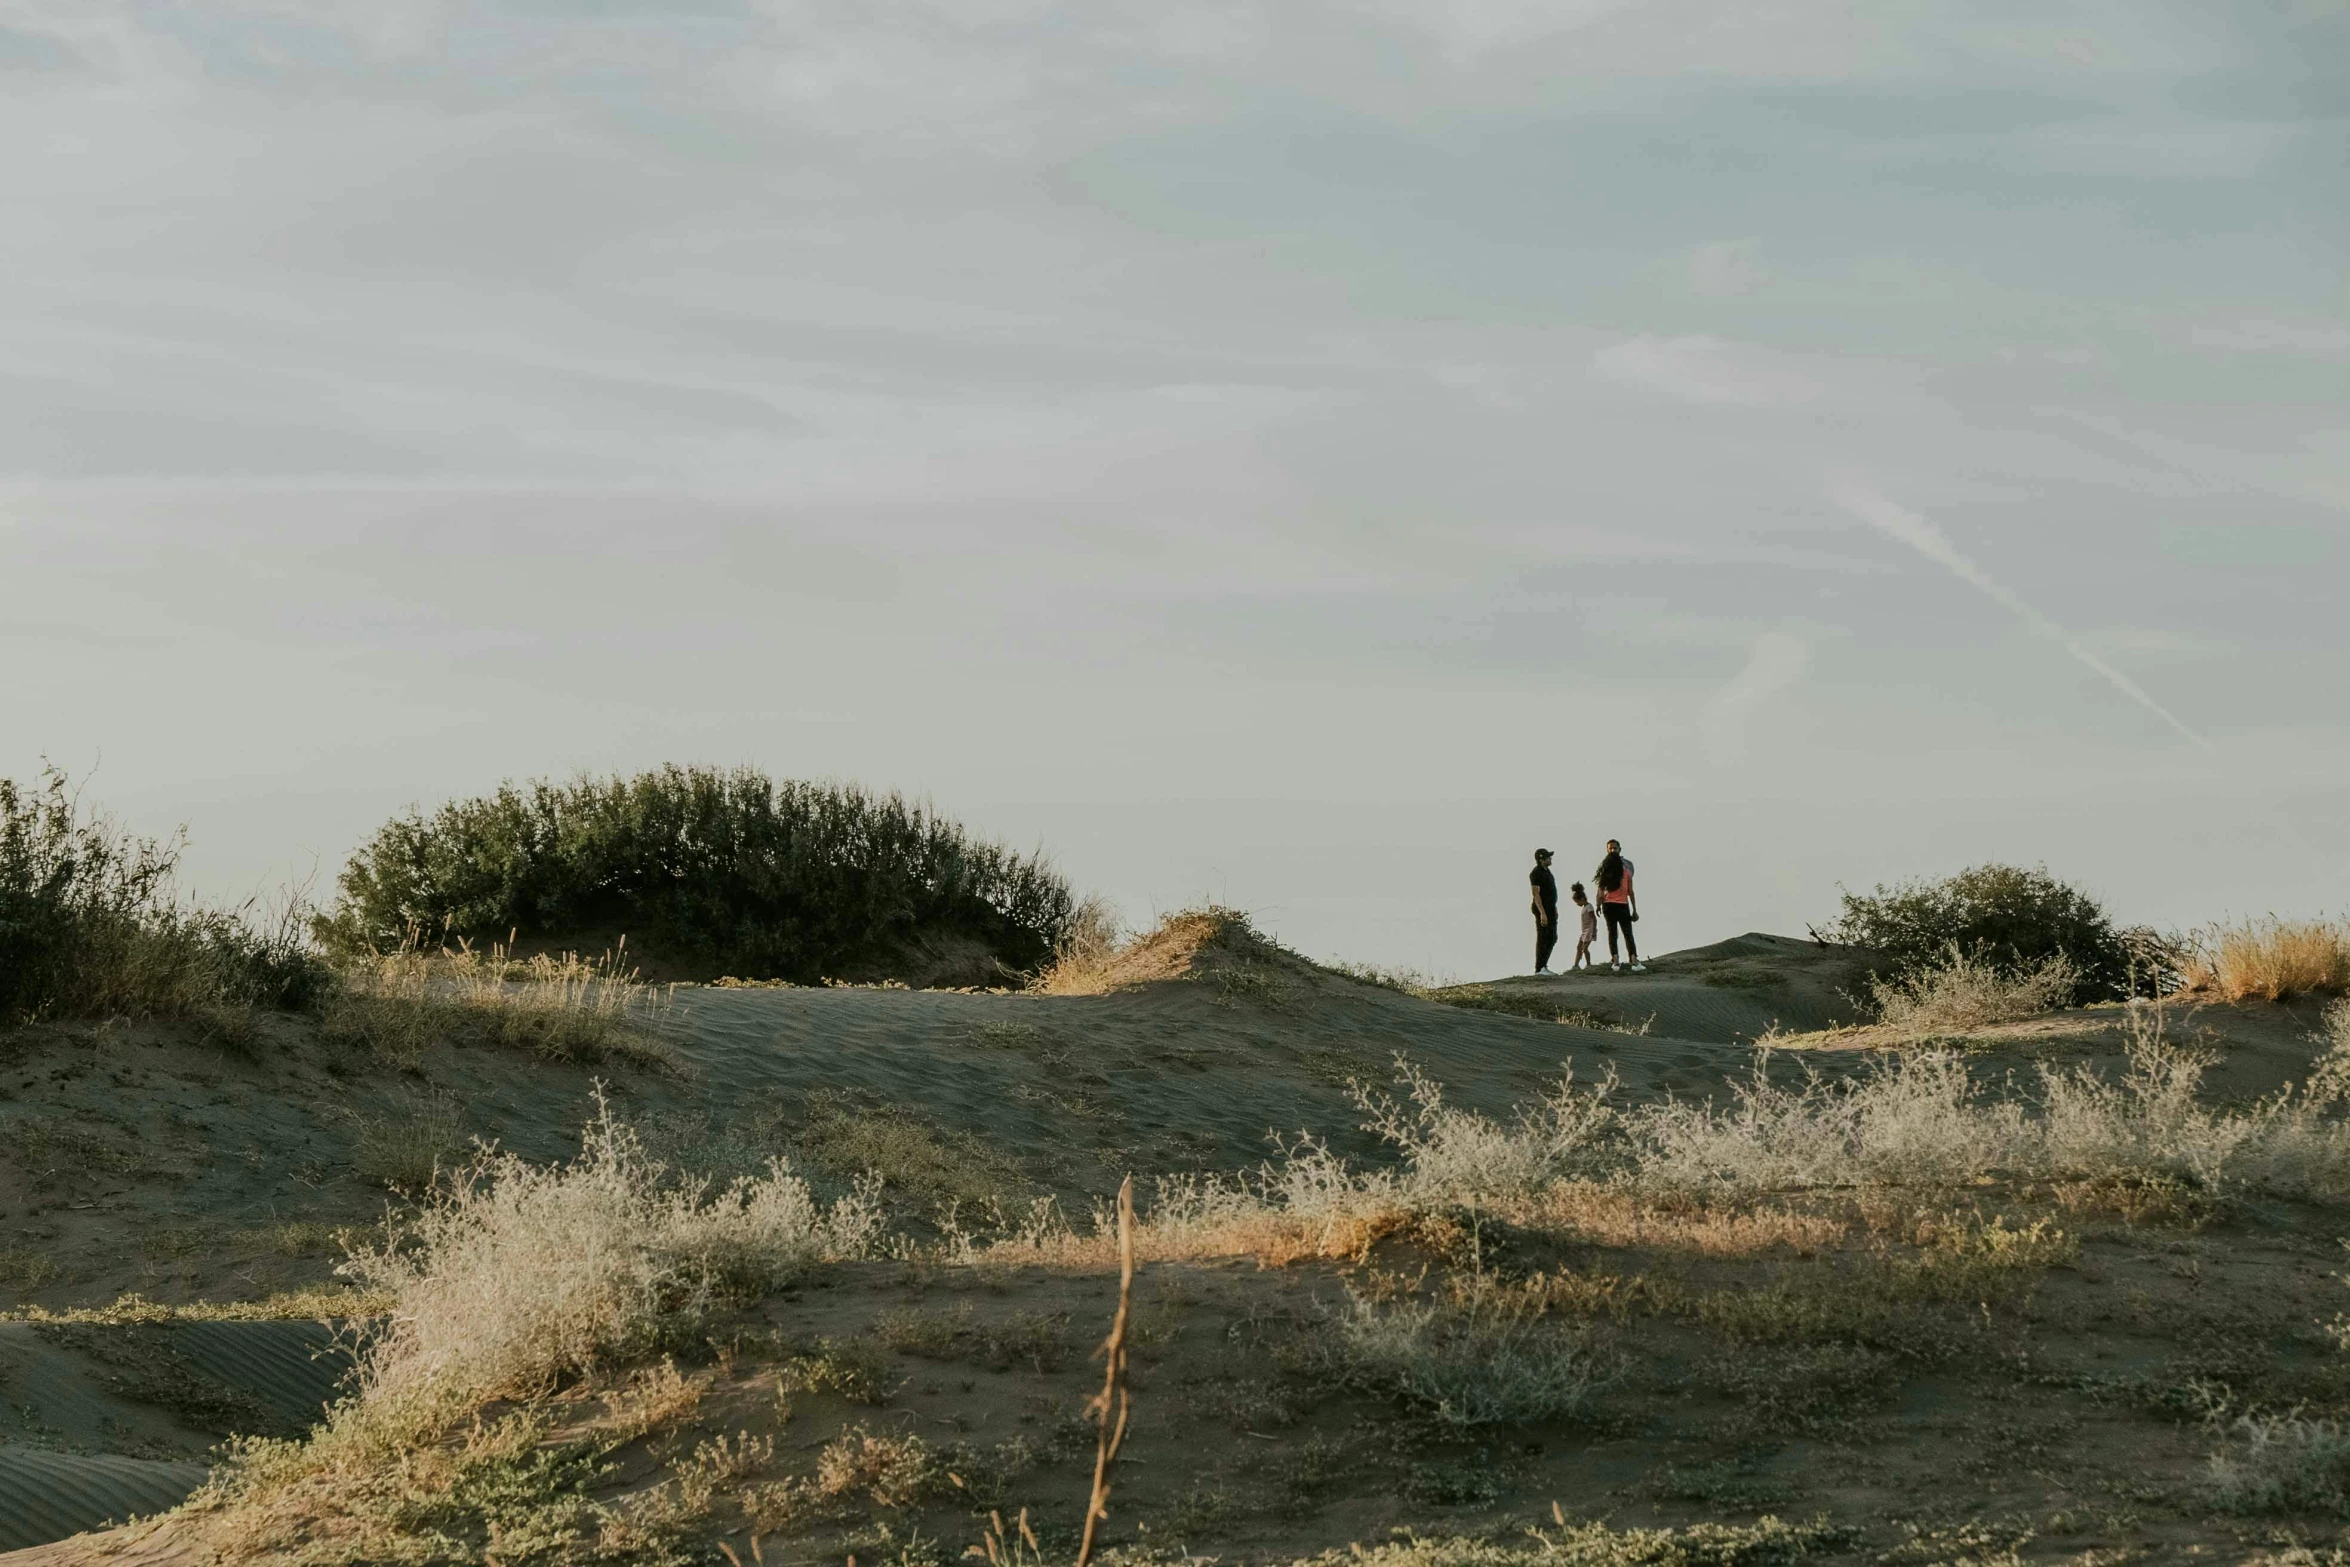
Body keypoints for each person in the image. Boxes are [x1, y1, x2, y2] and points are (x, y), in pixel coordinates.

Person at [1594, 838, 1645, 972]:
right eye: (1610, 848)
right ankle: (1616, 961)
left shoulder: (1626, 871)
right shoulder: (1605, 870)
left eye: (1614, 848)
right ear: (1607, 850)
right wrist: (1598, 904)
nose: (1612, 850)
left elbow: (1630, 892)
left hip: (1622, 904)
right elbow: (1600, 890)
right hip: (1609, 905)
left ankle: (1633, 960)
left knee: (1627, 933)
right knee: (1613, 933)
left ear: (1619, 849)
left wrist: (1635, 910)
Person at [1529, 848, 1560, 974]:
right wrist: (1542, 912)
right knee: (1543, 938)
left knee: (1552, 937)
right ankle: (1539, 968)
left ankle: (1544, 965)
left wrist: (1555, 907)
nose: (1550, 859)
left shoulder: (1548, 871)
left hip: (1551, 908)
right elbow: (1536, 894)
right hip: (1542, 909)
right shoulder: (1536, 873)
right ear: (1542, 859)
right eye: (1548, 857)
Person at [1569, 882, 1597, 971]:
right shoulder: (1584, 907)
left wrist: (1593, 931)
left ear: (1582, 899)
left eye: (1577, 902)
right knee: (1579, 947)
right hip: (1584, 931)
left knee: (1585, 949)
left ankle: (1589, 965)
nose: (1577, 904)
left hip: (1589, 930)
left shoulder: (1589, 907)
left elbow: (1594, 919)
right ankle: (1576, 965)